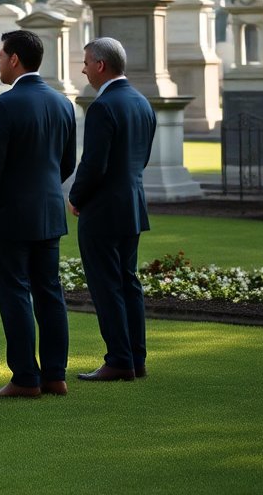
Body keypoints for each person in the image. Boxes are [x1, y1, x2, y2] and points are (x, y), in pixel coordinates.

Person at [0, 31, 76, 398]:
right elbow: (66, 163)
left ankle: (24, 378)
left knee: (14, 292)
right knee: (50, 292)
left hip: (7, 215)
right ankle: (55, 374)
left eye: (0, 55)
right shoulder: (64, 103)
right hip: (48, 211)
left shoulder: (3, 105)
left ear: (14, 59)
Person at [69, 37, 156, 382]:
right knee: (128, 282)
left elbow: (94, 164)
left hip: (103, 210)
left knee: (106, 286)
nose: (84, 68)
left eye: (86, 62)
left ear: (101, 66)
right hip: (132, 205)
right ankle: (135, 357)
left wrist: (76, 196)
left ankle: (119, 359)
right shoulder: (142, 103)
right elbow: (142, 158)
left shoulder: (103, 107)